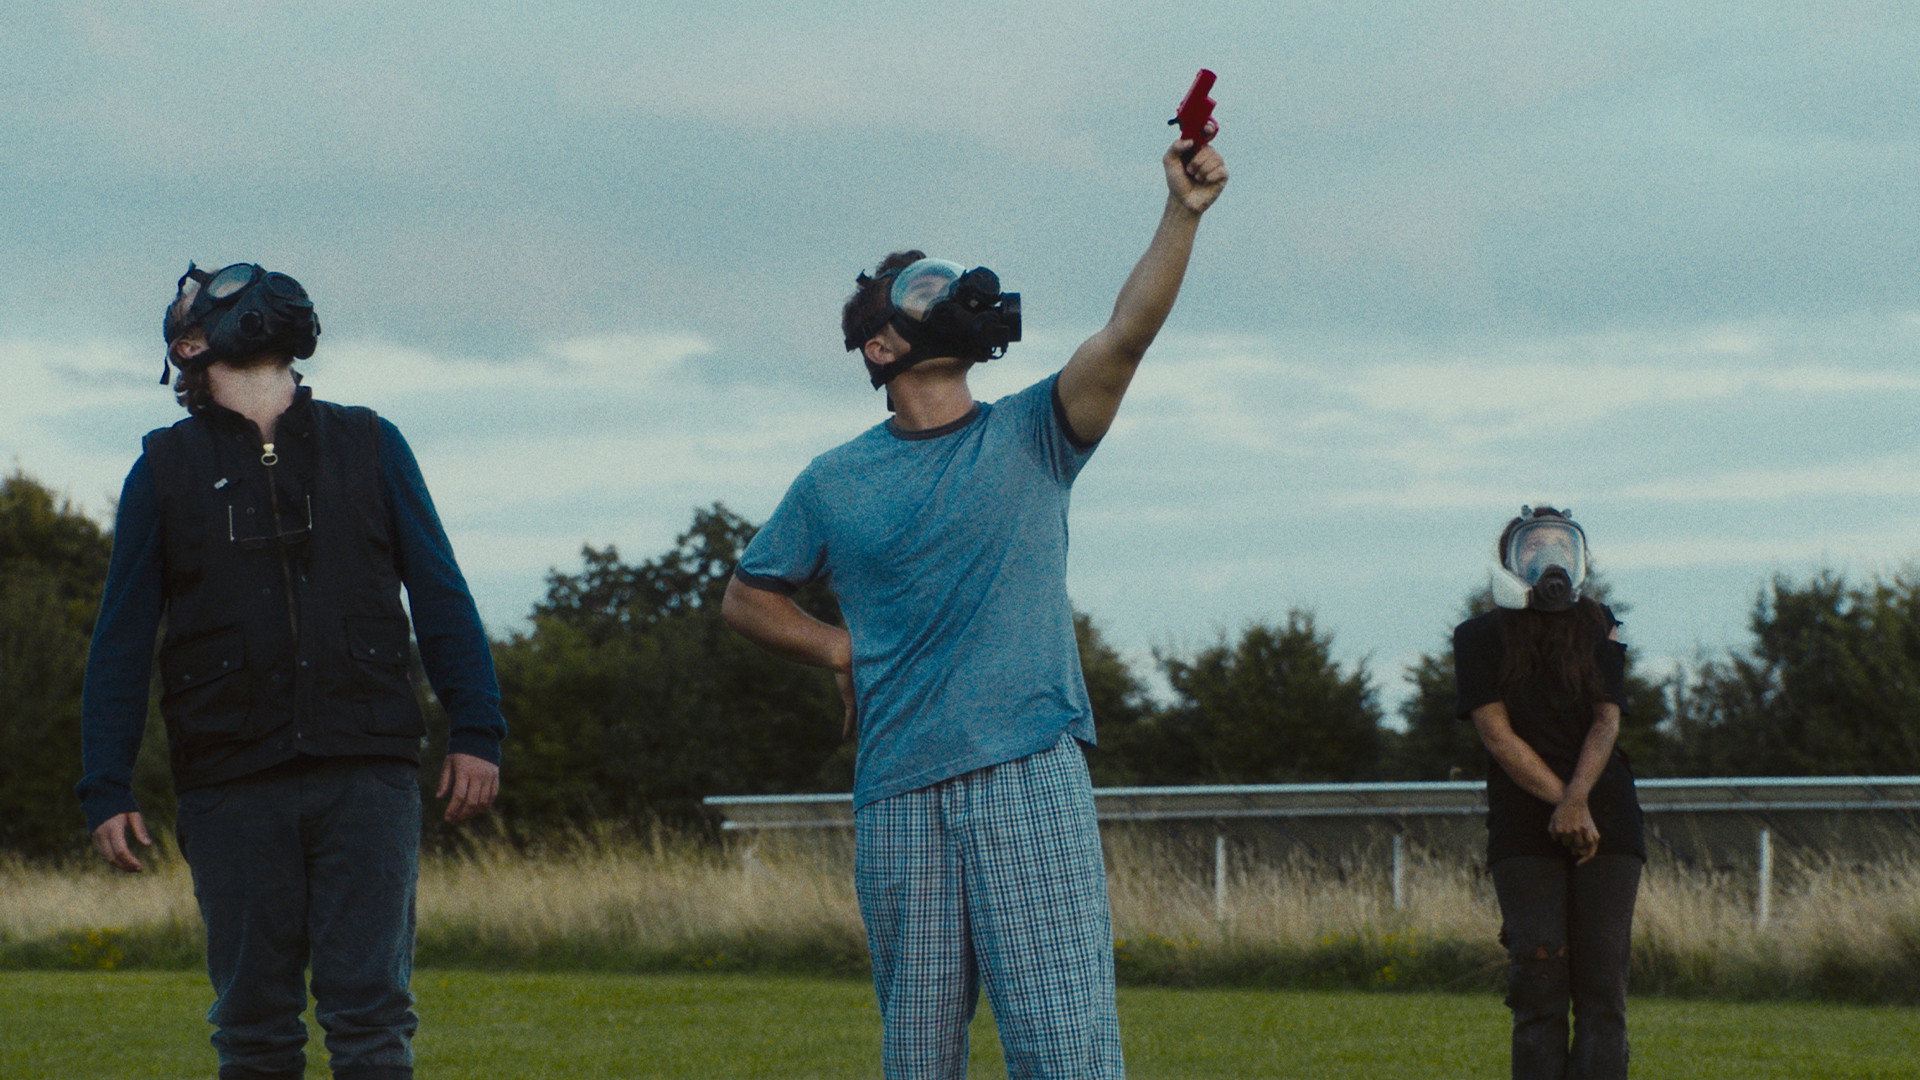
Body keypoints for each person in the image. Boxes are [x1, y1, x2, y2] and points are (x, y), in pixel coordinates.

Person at [720, 136, 1227, 1078]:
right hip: (897, 794)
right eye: (921, 291)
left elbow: (1127, 332)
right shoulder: (833, 483)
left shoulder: (1036, 431)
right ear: (881, 347)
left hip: (1026, 770)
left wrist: (1180, 213)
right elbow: (747, 598)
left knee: (1066, 1054)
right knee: (919, 1060)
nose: (948, 294)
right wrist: (839, 650)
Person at [77, 262, 506, 1080]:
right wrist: (106, 784)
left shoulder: (370, 442)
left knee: (372, 1019)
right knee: (254, 1029)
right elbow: (121, 640)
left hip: (367, 769)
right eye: (206, 296)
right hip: (230, 779)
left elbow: (442, 593)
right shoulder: (164, 468)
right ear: (189, 344)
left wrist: (476, 729)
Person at [1453, 506, 1644, 1080]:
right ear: (1511, 560)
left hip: (1606, 816)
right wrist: (1565, 805)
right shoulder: (1478, 636)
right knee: (1538, 980)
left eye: (1563, 543)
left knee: (1602, 988)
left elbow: (1606, 721)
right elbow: (1497, 734)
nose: (1551, 555)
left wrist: (1578, 801)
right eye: (1535, 545)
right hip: (1523, 820)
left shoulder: (1600, 624)